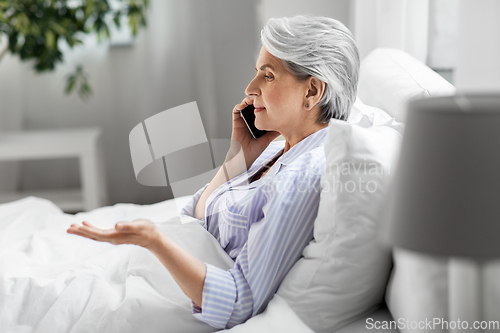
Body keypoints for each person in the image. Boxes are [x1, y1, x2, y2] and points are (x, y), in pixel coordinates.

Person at [67, 15, 359, 329]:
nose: (250, 88)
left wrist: (153, 241)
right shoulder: (279, 148)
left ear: (312, 91)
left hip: (156, 288)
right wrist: (239, 156)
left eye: (268, 75)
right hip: (137, 269)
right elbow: (200, 214)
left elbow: (238, 301)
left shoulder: (301, 178)